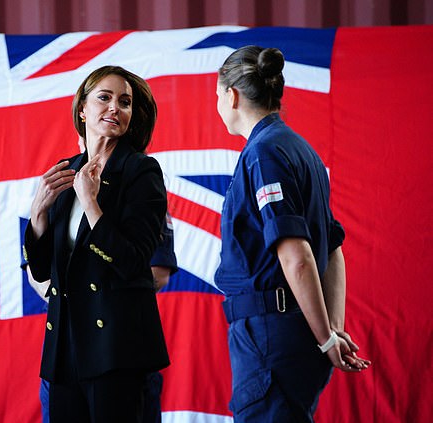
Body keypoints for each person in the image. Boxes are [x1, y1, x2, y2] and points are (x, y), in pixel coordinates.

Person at [213, 46, 370, 423]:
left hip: (270, 337)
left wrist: (328, 336)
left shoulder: (263, 154)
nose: (217, 102)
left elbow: (296, 255)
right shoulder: (303, 151)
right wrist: (330, 327)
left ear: (231, 95)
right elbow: (333, 250)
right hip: (294, 332)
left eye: (216, 93)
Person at [23, 65, 170, 423]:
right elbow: (42, 270)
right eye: (104, 98)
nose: (115, 108)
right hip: (65, 346)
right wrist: (38, 214)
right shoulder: (65, 170)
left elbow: (134, 261)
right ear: (82, 110)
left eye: (125, 102)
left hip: (117, 348)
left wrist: (91, 203)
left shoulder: (141, 172)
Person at [25, 212, 178, 423]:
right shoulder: (53, 193)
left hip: (119, 341)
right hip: (63, 343)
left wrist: (95, 300)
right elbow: (34, 272)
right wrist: (70, 300)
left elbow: (158, 273)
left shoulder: (139, 190)